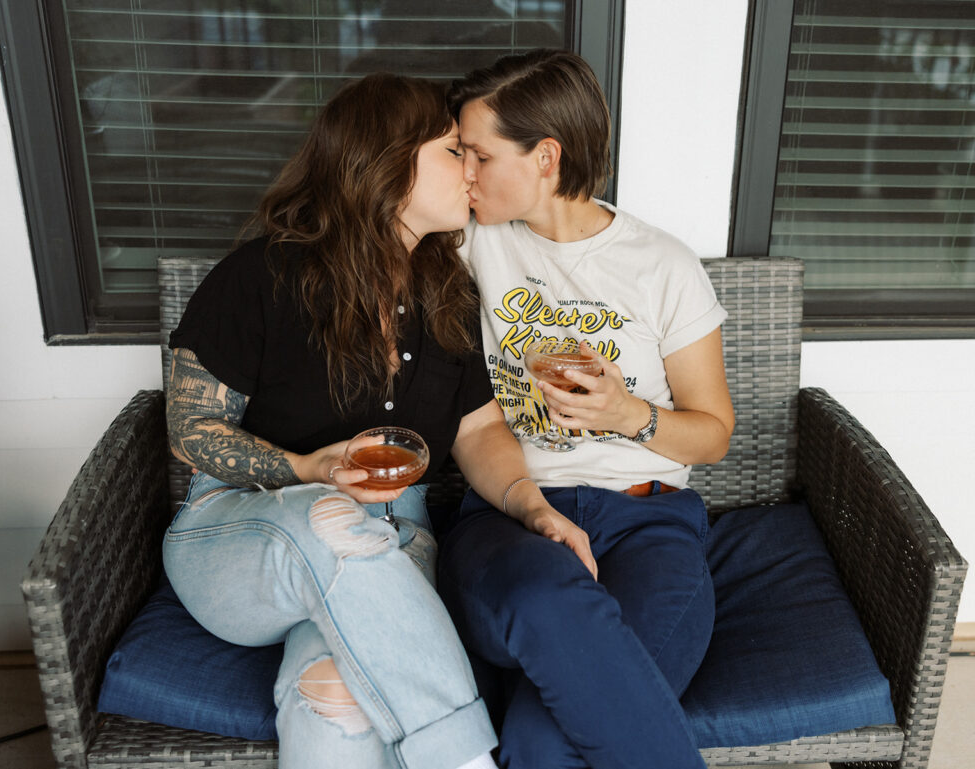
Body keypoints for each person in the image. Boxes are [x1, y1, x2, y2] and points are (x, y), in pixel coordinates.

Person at [162, 73, 589, 769]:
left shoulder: (448, 290)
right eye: (454, 151)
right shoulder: (264, 275)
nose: (472, 170)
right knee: (332, 522)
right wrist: (308, 469)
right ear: (388, 167)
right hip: (240, 538)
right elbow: (190, 431)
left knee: (334, 698)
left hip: (392, 537)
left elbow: (479, 430)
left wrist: (532, 506)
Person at [436, 50, 736, 769]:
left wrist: (628, 412)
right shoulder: (469, 240)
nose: (464, 173)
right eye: (459, 154)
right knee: (542, 597)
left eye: (478, 154)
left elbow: (714, 434)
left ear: (545, 157)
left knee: (542, 743)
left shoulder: (661, 265)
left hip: (648, 522)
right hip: (510, 516)